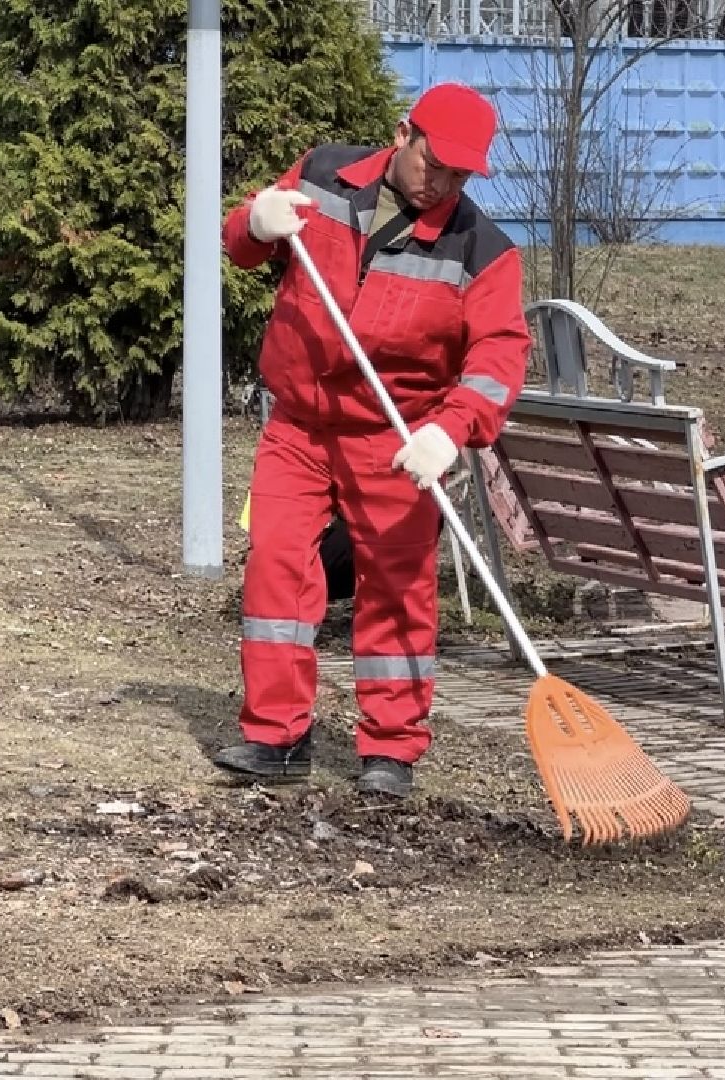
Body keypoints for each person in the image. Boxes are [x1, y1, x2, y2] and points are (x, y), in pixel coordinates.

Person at [215, 83, 531, 797]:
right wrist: (255, 223)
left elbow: (499, 355)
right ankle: (275, 735)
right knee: (276, 568)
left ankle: (390, 749)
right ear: (402, 135)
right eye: (434, 164)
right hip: (298, 423)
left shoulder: (481, 250)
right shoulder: (324, 175)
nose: (443, 183)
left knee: (395, 590)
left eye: (460, 175)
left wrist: (449, 433)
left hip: (396, 438)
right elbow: (241, 248)